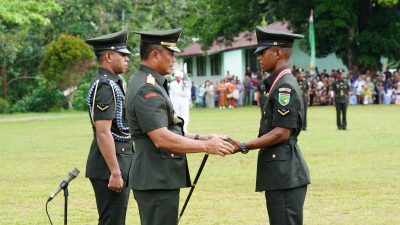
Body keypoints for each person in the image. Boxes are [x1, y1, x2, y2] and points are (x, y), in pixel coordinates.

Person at [125, 28, 234, 225]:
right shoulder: (146, 88)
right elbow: (161, 138)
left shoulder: (152, 83)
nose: (174, 58)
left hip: (158, 177)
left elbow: (172, 128)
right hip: (156, 178)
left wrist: (203, 138)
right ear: (155, 55)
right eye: (171, 53)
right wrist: (206, 147)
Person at [231, 27, 310, 225]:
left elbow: (282, 133)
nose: (258, 57)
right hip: (281, 171)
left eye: (262, 52)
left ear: (277, 53)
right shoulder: (279, 83)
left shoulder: (284, 86)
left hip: (285, 173)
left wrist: (244, 145)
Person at [85, 30, 134, 225]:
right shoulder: (105, 86)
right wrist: (115, 171)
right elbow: (103, 132)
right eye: (123, 54)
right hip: (109, 166)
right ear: (108, 56)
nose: (127, 59)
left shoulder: (115, 83)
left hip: (119, 160)